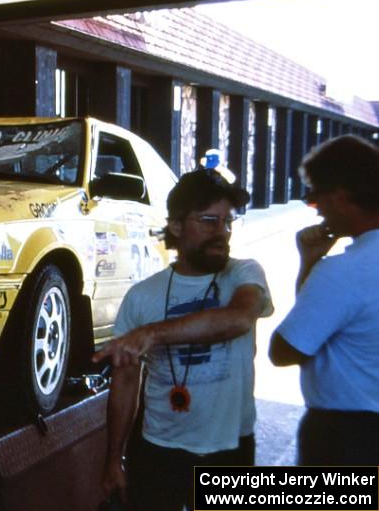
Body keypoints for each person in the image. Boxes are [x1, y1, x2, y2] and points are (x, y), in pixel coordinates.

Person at [92, 169, 273, 511]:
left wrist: (152, 333)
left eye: (227, 222)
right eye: (209, 220)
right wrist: (113, 459)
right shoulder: (142, 296)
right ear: (176, 226)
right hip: (158, 447)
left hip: (229, 450)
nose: (222, 232)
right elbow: (126, 384)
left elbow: (238, 319)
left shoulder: (244, 274)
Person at [269, 135, 379, 465]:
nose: (317, 213)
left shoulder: (342, 272)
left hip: (347, 436)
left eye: (317, 200)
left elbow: (285, 350)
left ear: (341, 197)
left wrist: (311, 266)